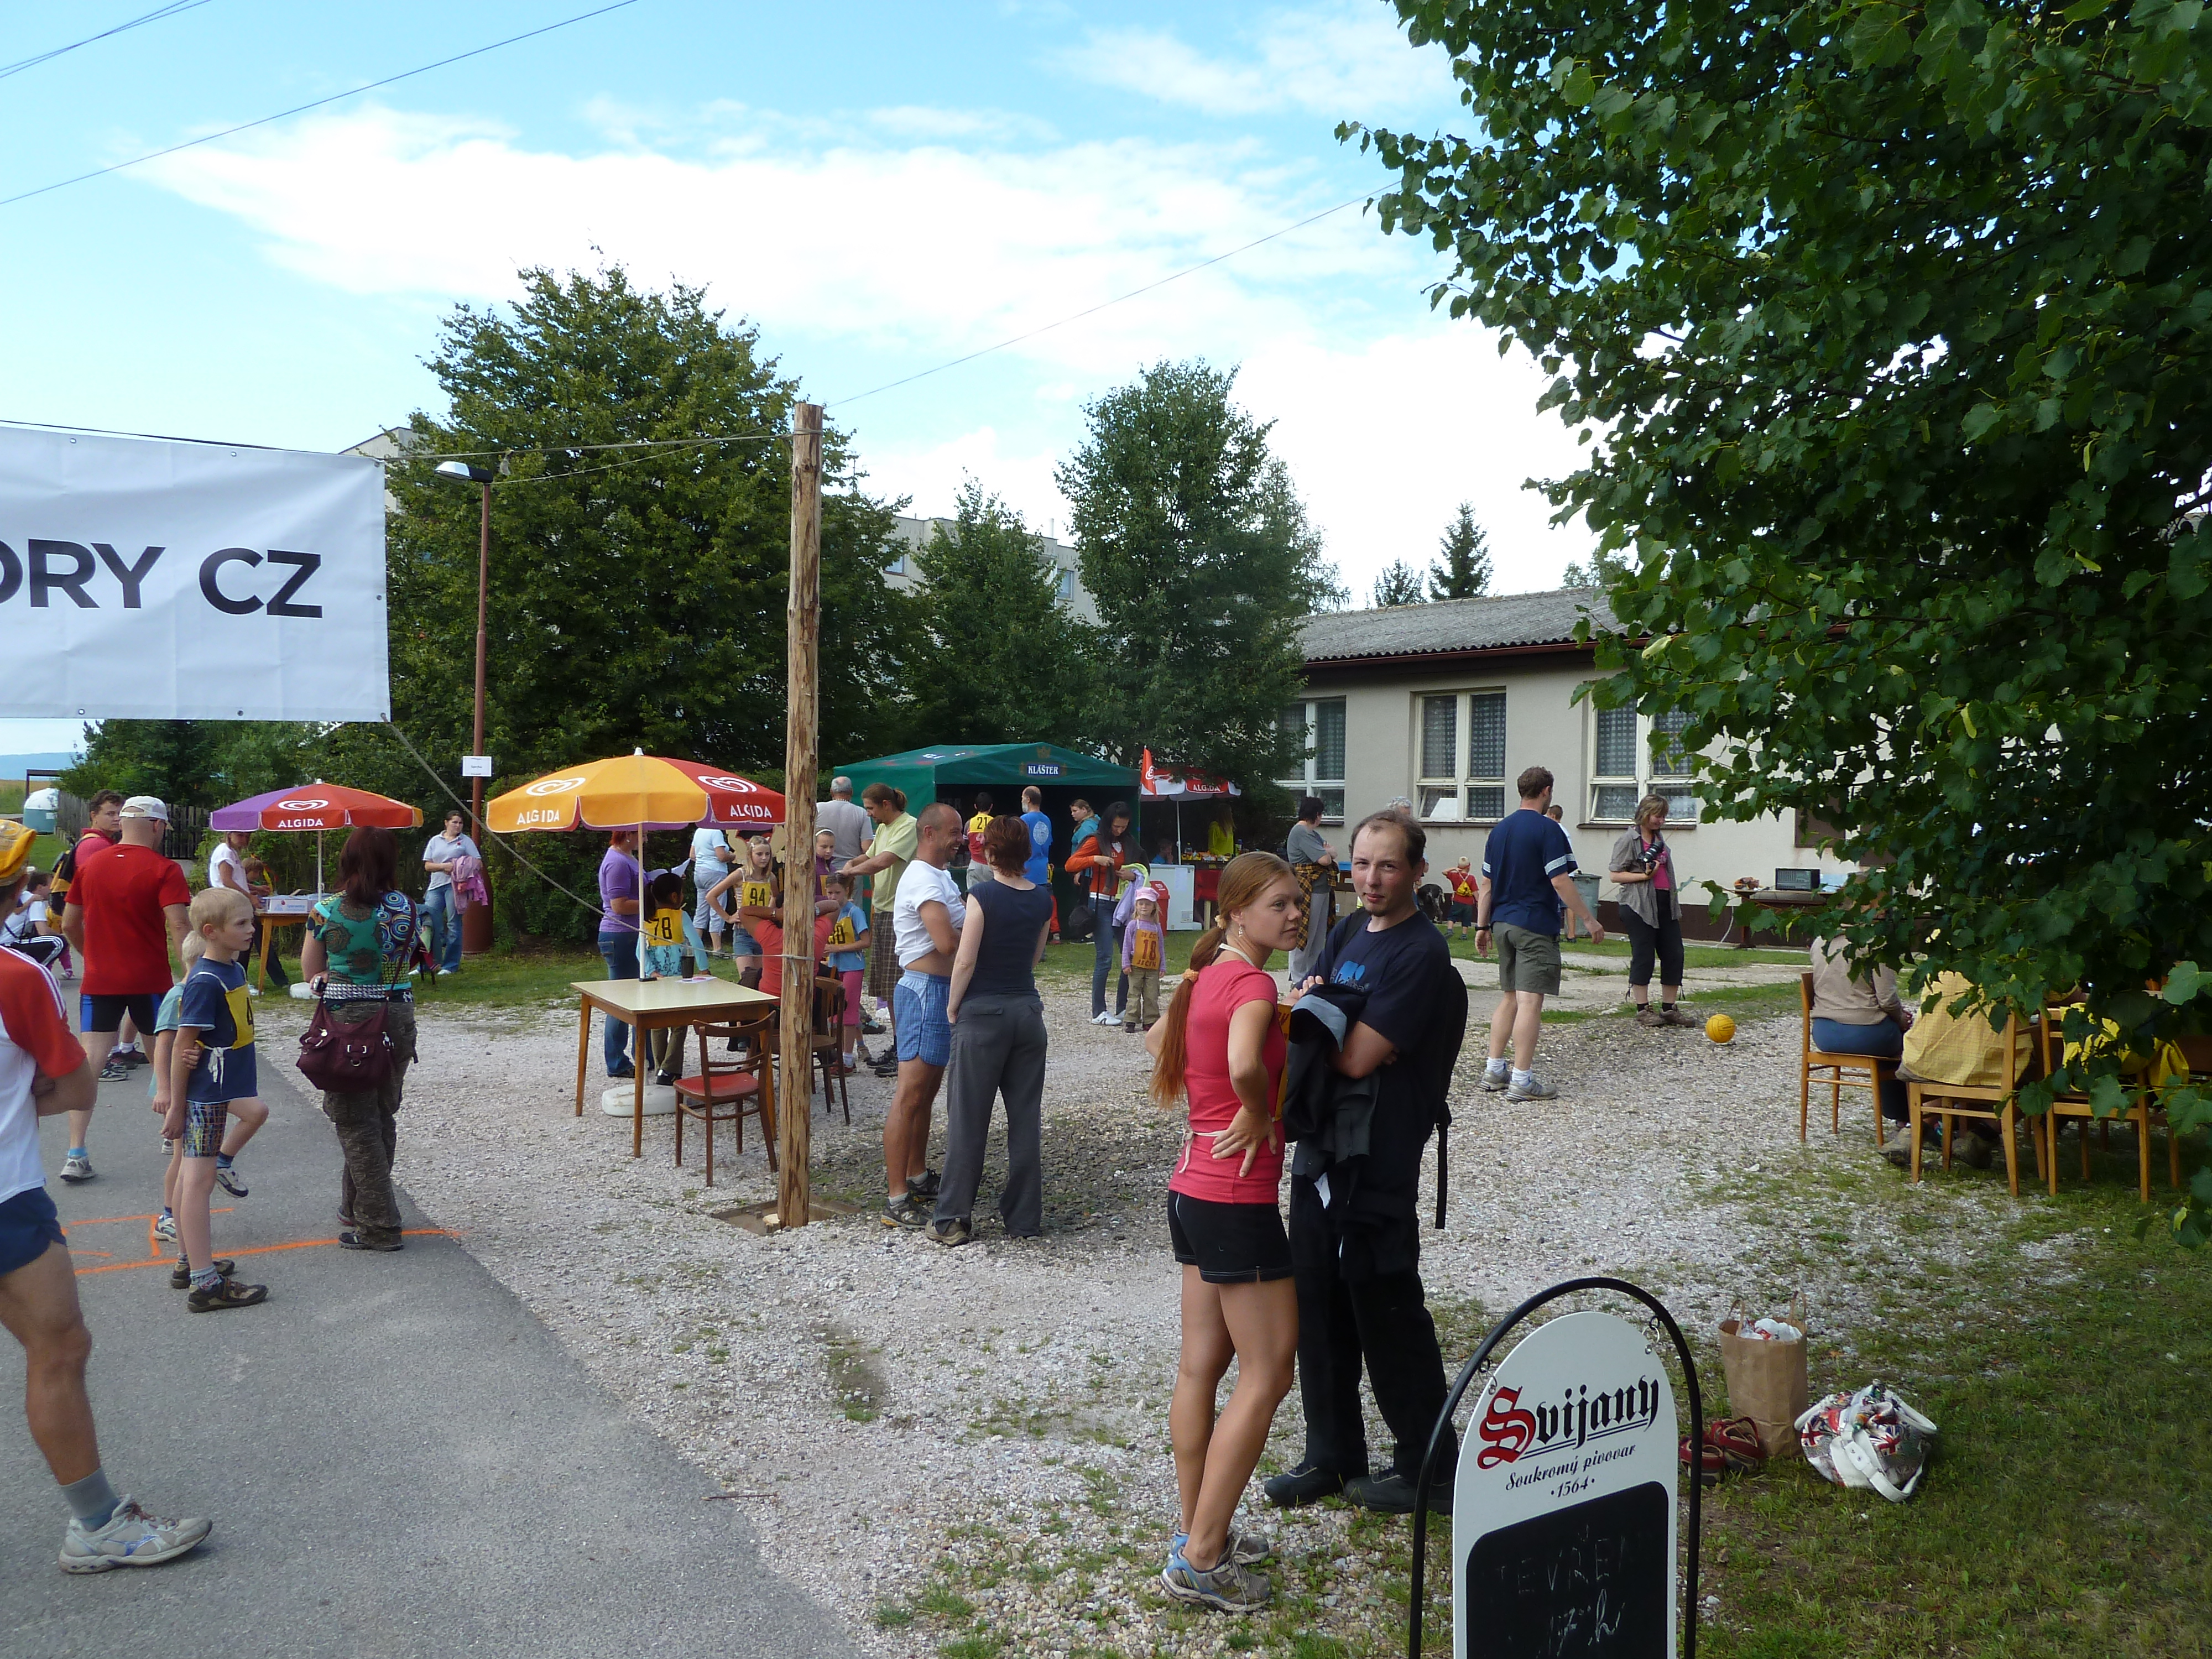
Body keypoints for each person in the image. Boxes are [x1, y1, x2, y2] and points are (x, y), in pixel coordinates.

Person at [0, 820, 212, 1572]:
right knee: (59, 1348)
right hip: (6, 1201)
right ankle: (95, 1523)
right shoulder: (16, 977)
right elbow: (74, 1087)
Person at [1269, 810, 1468, 1517]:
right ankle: (1332, 1455)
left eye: (1387, 865)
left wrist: (1316, 1014)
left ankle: (1428, 1468)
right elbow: (1313, 1011)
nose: (1371, 878)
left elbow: (1352, 1055)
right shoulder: (1351, 929)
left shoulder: (1421, 954)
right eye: (1361, 863)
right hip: (1322, 1144)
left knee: (1385, 1307)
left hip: (1377, 1157)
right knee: (1317, 1301)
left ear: (1416, 871)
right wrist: (1319, 1012)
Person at [1146, 851, 1303, 1613]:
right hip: (1235, 1199)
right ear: (1238, 912)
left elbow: (1157, 1041)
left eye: (1298, 902)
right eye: (1279, 904)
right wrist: (1259, 1109)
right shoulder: (1253, 984)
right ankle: (1203, 1559)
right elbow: (1243, 1061)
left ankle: (1197, 1529)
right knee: (1270, 1374)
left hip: (1192, 1190)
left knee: (1200, 1368)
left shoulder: (1208, 973)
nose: (1295, 915)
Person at [929, 816, 1053, 1247]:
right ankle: (1024, 1219)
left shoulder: (981, 895)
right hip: (1027, 1012)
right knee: (1025, 1121)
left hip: (983, 1013)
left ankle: (951, 1220)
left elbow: (965, 959)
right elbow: (1034, 957)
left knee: (968, 1119)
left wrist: (953, 1005)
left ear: (993, 852)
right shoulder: (1043, 900)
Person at [300, 826, 424, 1253]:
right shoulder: (409, 908)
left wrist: (332, 974)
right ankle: (355, 1206)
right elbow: (414, 958)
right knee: (381, 1114)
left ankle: (379, 1226)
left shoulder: (325, 910)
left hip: (348, 1020)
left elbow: (310, 970)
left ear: (346, 860)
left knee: (356, 1123)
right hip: (398, 1013)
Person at [58, 797, 191, 1185]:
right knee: (164, 1057)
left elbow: (69, 923)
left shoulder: (91, 865)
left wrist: (91, 955)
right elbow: (179, 925)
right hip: (149, 979)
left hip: (101, 979)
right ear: (158, 826)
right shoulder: (165, 868)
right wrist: (191, 974)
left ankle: (76, 1152)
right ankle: (172, 1135)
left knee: (91, 1063)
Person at [1473, 768, 1605, 1103]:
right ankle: (1522, 1079)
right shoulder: (1549, 829)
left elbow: (1486, 884)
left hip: (1502, 923)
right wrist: (1588, 919)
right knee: (1530, 1001)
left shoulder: (1499, 831)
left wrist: (1481, 926)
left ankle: (1494, 1070)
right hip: (1534, 924)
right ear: (1546, 791)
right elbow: (1560, 880)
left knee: (1509, 997)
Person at [166, 888, 269, 1310]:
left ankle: (188, 1261)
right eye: (241, 924)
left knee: (195, 1178)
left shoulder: (233, 970)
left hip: (222, 1088)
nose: (251, 929)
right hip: (206, 1095)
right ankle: (204, 1283)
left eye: (250, 921)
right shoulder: (205, 980)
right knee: (198, 1181)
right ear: (211, 932)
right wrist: (176, 1105)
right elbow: (181, 1044)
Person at [883, 803, 966, 1228]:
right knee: (910, 1095)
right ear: (929, 833)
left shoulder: (942, 877)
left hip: (939, 990)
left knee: (926, 1093)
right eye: (954, 832)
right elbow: (947, 942)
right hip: (923, 991)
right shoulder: (921, 877)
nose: (961, 839)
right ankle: (897, 1198)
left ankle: (916, 1175)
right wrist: (983, 931)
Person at [1809, 928, 1916, 1164]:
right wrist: (1901, 1019)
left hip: (1825, 1034)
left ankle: (1901, 1115)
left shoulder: (1821, 941)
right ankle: (1906, 1117)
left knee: (1891, 1038)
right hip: (1866, 1032)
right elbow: (1887, 1000)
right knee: (1907, 1043)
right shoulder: (1875, 944)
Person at [51, 792, 139, 1076]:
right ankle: (102, 1062)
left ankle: (112, 1054)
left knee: (115, 997)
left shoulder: (99, 843)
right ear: (94, 816)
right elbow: (101, 891)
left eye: (120, 814)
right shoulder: (95, 846)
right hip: (100, 929)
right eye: (110, 814)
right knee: (106, 1001)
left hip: (98, 929)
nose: (117, 819)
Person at [842, 785, 918, 1078]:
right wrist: (851, 862)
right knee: (889, 987)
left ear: (886, 804)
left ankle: (907, 1051)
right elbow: (870, 856)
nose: (869, 815)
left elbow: (884, 861)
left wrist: (850, 872)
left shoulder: (908, 826)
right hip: (885, 911)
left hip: (902, 913)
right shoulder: (885, 828)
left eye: (871, 809)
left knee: (899, 985)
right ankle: (900, 1046)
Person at [1609, 795, 1693, 1029]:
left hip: (1665, 903)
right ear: (1645, 814)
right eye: (1657, 815)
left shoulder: (1660, 839)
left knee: (1674, 953)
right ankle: (1642, 1008)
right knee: (1644, 955)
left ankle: (1669, 1008)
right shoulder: (1629, 839)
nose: (1661, 820)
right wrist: (1644, 876)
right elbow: (1615, 875)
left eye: (1664, 816)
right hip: (1638, 905)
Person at [1071, 801, 1138, 1026]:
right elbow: (1071, 864)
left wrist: (1132, 875)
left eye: (1123, 827)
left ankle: (1122, 1008)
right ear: (1109, 823)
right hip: (1101, 903)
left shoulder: (1128, 842)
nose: (1119, 830)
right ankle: (1098, 1011)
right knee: (1105, 957)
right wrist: (1094, 859)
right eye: (1116, 826)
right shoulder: (1096, 840)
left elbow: (1140, 866)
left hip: (1122, 904)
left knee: (1130, 955)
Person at [639, 870, 706, 1085]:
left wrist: (651, 971)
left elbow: (640, 952)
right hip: (679, 980)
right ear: (675, 896)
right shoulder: (681, 916)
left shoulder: (647, 919)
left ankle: (661, 1068)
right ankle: (670, 1070)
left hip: (656, 981)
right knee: (679, 1025)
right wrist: (704, 968)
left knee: (658, 1025)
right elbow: (696, 943)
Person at [595, 829, 644, 1078]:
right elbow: (619, 905)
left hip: (633, 934)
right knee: (622, 1001)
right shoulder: (617, 862)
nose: (645, 838)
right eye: (641, 833)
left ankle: (643, 1054)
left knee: (641, 996)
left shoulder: (629, 857)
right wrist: (653, 902)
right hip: (620, 935)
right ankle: (616, 1062)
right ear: (627, 835)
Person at [420, 810, 481, 975]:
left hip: (455, 887)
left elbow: (478, 863)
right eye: (454, 822)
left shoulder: (465, 841)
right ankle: (426, 964)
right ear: (446, 823)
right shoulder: (435, 840)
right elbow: (427, 865)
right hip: (435, 886)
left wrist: (460, 867)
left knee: (453, 925)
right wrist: (443, 867)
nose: (458, 826)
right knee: (428, 923)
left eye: (460, 823)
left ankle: (450, 965)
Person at [1284, 795, 1336, 984]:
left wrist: (1327, 852)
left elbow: (1333, 852)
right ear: (1317, 814)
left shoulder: (1312, 833)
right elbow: (1325, 859)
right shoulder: (1301, 832)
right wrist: (1327, 852)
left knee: (1318, 937)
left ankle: (1312, 975)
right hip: (1308, 888)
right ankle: (1298, 978)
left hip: (1321, 888)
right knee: (1305, 932)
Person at [821, 873, 869, 1072]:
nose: (833, 897)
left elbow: (866, 941)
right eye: (829, 893)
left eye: (837, 893)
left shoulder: (854, 912)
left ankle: (847, 1059)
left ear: (847, 891)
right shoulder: (828, 913)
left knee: (847, 1012)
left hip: (853, 966)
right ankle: (838, 1054)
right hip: (833, 966)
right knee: (832, 1012)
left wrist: (838, 948)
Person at [1122, 885, 1168, 1033]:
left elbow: (1160, 947)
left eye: (1148, 904)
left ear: (1153, 907)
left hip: (1153, 967)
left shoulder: (1156, 927)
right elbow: (1126, 945)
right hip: (1136, 966)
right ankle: (1131, 1019)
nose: (1144, 907)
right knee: (1134, 993)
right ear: (1136, 905)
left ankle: (1150, 1020)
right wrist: (1126, 964)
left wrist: (1162, 966)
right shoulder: (1132, 925)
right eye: (1141, 904)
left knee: (1151, 995)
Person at [688, 823, 733, 959]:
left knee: (701, 911)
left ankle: (695, 947)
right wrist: (732, 856)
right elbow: (721, 856)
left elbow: (692, 855)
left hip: (699, 872)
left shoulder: (699, 831)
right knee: (717, 909)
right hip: (715, 872)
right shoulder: (716, 832)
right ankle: (717, 948)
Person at [816, 775, 873, 873]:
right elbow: (867, 849)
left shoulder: (818, 808)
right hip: (851, 870)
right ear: (851, 792)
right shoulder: (862, 813)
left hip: (821, 868)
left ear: (831, 792)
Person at [964, 792, 997, 888]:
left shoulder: (969, 823)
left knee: (973, 894)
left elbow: (965, 841)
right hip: (990, 865)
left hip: (974, 865)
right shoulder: (994, 823)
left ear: (975, 806)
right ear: (991, 806)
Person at [1445, 859, 1479, 937]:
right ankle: (1464, 935)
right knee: (1466, 918)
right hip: (1469, 902)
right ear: (1469, 867)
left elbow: (1444, 872)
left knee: (1452, 916)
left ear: (1459, 867)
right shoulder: (1471, 878)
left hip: (1457, 900)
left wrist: (1454, 869)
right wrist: (1478, 901)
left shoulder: (1454, 876)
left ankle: (1450, 930)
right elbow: (1475, 891)